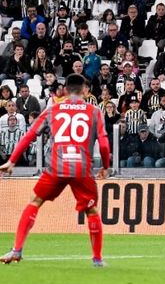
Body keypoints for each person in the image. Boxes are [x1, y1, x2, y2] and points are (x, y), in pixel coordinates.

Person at [0, 75, 111, 267]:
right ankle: (98, 259)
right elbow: (104, 143)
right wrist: (106, 167)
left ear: (65, 91)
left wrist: (11, 161)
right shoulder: (94, 111)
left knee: (35, 202)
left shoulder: (53, 109)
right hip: (82, 168)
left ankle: (17, 250)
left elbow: (29, 136)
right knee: (91, 210)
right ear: (85, 90)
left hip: (56, 167)